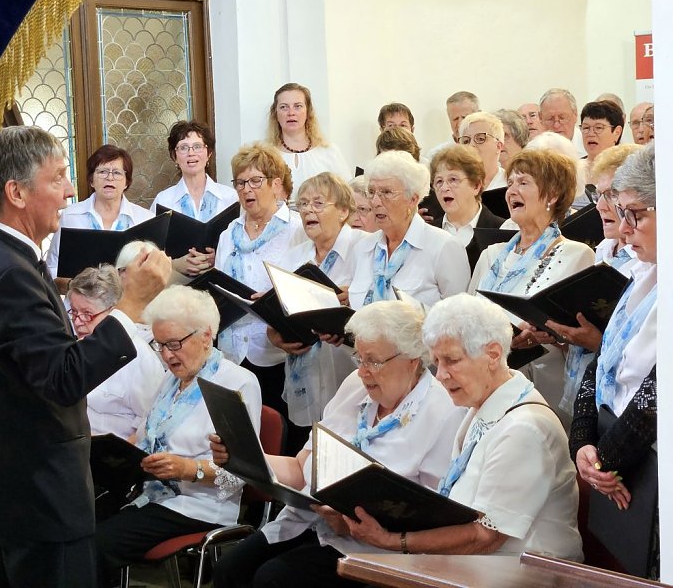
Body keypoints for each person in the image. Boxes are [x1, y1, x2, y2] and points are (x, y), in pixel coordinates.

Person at [0, 125, 171, 588]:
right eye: (59, 177)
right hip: (36, 500)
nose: (69, 192)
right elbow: (62, 378)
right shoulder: (10, 271)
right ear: (17, 192)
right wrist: (128, 306)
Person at [211, 301, 465, 588]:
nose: (363, 371)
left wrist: (356, 525)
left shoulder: (443, 412)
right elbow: (299, 467)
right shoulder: (354, 387)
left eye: (374, 361)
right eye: (360, 358)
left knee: (273, 579)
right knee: (230, 568)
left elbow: (433, 516)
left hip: (376, 546)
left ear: (413, 360)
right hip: (312, 520)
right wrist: (243, 456)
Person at [343, 294, 582, 560]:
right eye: (437, 363)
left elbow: (485, 537)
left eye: (452, 361)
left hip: (525, 576)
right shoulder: (483, 406)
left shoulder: (524, 428)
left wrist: (392, 541)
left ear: (493, 355)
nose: (441, 375)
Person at [95, 286, 262, 585]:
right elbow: (144, 436)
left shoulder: (237, 383)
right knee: (71, 526)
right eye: (160, 345)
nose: (167, 355)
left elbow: (241, 472)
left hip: (198, 504)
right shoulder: (172, 381)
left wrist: (187, 469)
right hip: (150, 493)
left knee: (96, 545)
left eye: (174, 344)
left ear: (206, 336)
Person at [570, 144, 658, 578]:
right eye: (619, 213)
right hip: (617, 456)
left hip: (650, 465)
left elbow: (658, 393)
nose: (623, 231)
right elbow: (600, 363)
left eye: (636, 214)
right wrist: (583, 444)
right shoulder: (644, 272)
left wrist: (605, 460)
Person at [469, 149, 594, 421]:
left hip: (540, 386)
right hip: (483, 382)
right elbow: (466, 314)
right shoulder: (492, 254)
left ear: (552, 195)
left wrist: (549, 334)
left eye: (523, 182)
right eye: (510, 182)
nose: (512, 190)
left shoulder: (576, 254)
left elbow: (581, 333)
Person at [269, 173, 368, 445]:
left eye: (318, 203)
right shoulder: (293, 256)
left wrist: (353, 301)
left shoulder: (365, 249)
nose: (308, 210)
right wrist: (276, 336)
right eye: (302, 204)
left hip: (350, 376)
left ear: (344, 211)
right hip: (306, 378)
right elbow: (278, 315)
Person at [215, 142, 306, 437]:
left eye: (255, 181)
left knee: (277, 434)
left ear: (276, 184)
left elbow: (304, 286)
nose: (247, 190)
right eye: (240, 183)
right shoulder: (229, 234)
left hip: (275, 353)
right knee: (240, 437)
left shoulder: (296, 229)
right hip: (233, 353)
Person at [544, 144, 641, 415]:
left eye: (611, 195)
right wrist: (558, 331)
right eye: (596, 194)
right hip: (580, 384)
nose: (599, 206)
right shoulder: (602, 249)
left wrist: (598, 343)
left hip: (618, 402)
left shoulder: (646, 259)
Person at [347, 150, 470, 309]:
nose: (376, 201)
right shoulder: (362, 248)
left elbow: (458, 318)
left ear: (413, 199)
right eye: (371, 192)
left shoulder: (443, 247)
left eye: (386, 192)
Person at [67, 264, 166, 439]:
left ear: (113, 312)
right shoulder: (71, 346)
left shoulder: (139, 357)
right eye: (74, 312)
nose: (78, 322)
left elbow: (150, 422)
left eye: (88, 314)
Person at [45, 144, 154, 281]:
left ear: (127, 182)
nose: (109, 178)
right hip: (81, 299)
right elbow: (52, 268)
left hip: (129, 299)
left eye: (117, 173)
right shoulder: (70, 216)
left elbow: (154, 273)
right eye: (102, 172)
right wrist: (76, 285)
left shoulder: (145, 219)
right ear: (91, 180)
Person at [150, 120, 240, 277]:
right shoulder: (163, 200)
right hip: (176, 284)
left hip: (220, 280)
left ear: (209, 153)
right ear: (174, 156)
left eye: (197, 147)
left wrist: (217, 257)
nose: (191, 153)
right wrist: (175, 264)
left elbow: (242, 243)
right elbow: (151, 249)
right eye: (183, 148)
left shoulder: (230, 197)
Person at [267, 82, 351, 198]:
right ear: (275, 114)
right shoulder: (266, 157)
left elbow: (348, 198)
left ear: (308, 112)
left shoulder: (330, 152)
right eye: (284, 107)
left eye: (298, 106)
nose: (291, 113)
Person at [429, 145, 505, 270]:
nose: (444, 188)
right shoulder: (428, 232)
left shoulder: (500, 230)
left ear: (476, 186)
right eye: (439, 181)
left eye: (453, 180)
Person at [458, 112, 506, 190]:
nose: (471, 145)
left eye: (480, 139)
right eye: (466, 141)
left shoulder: (511, 184)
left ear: (498, 146)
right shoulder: (455, 187)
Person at [539, 88, 584, 157]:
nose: (556, 125)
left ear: (575, 115)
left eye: (562, 118)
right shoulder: (534, 151)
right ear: (540, 118)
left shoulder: (589, 148)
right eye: (550, 119)